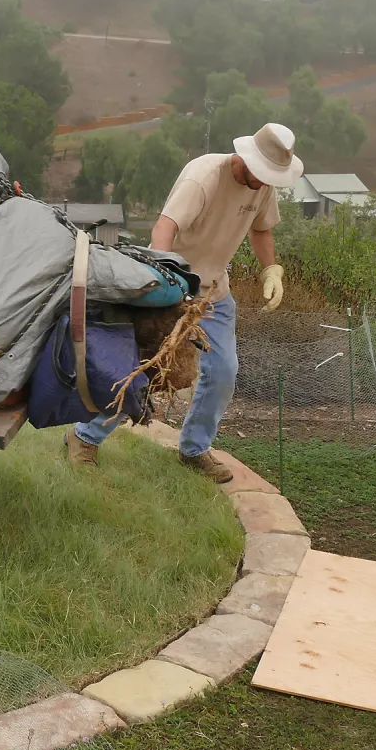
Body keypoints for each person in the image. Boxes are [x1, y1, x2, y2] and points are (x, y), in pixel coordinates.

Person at [65, 122, 303, 482]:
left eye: (272, 176)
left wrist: (271, 269)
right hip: (174, 287)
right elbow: (165, 227)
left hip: (214, 293)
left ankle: (193, 449)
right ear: (245, 158)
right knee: (145, 367)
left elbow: (261, 228)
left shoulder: (263, 184)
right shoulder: (203, 176)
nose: (266, 182)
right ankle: (84, 437)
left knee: (223, 372)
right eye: (263, 173)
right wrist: (165, 286)